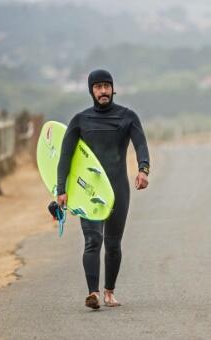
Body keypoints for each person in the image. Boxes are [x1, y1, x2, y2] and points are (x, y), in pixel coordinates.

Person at [56, 69, 150, 309]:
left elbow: (140, 144)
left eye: (106, 86)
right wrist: (61, 189)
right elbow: (65, 157)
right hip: (88, 191)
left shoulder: (127, 116)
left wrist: (143, 169)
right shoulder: (80, 120)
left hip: (118, 187)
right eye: (98, 87)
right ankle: (93, 293)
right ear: (91, 91)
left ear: (112, 89)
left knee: (113, 243)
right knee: (92, 240)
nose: (103, 91)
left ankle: (109, 292)